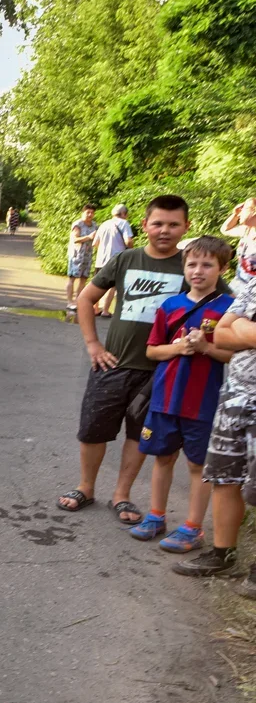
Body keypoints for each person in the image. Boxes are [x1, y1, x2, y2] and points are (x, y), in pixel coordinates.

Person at [55, 195, 192, 524]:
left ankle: (122, 494)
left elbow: (225, 305)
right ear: (144, 225)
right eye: (158, 223)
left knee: (138, 434)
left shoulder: (191, 266)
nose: (165, 230)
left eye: (173, 224)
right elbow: (86, 299)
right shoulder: (126, 259)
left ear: (186, 227)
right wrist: (93, 344)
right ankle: (86, 487)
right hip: (111, 364)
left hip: (159, 371)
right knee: (93, 429)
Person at [128, 236, 233, 551]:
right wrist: (179, 348)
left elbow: (234, 356)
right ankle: (156, 516)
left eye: (207, 265)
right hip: (165, 398)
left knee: (198, 466)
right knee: (163, 457)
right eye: (192, 264)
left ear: (222, 268)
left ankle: (193, 528)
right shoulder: (170, 306)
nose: (198, 271)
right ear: (184, 267)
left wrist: (205, 347)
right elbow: (152, 351)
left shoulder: (229, 308)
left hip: (203, 402)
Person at [173, 275, 256, 594]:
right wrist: (243, 330)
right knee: (223, 476)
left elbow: (232, 330)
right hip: (235, 395)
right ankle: (223, 554)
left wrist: (242, 328)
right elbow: (220, 334)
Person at [93, 204, 134, 317]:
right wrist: (131, 250)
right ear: (124, 214)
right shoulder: (124, 223)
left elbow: (95, 243)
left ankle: (95, 308)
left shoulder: (104, 224)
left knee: (98, 284)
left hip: (100, 259)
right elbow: (128, 241)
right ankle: (105, 310)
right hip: (116, 259)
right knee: (112, 285)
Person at [66, 206, 98, 310]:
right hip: (76, 256)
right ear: (83, 213)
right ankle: (69, 302)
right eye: (88, 212)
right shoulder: (78, 224)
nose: (90, 215)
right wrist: (88, 237)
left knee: (83, 279)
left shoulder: (95, 225)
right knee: (72, 278)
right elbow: (75, 239)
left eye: (92, 213)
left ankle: (78, 301)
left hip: (87, 256)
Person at [220, 197, 256, 287]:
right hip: (239, 283)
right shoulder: (247, 230)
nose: (241, 212)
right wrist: (235, 215)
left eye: (245, 209)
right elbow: (225, 229)